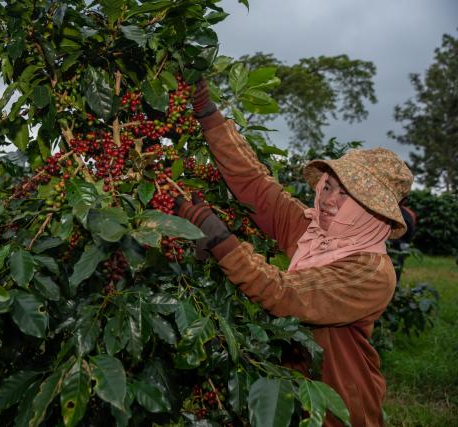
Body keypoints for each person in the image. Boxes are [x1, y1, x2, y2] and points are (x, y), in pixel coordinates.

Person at [175, 80, 413, 427]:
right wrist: (210, 116)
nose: (330, 201)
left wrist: (220, 239)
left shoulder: (372, 273)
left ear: (373, 212)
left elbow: (285, 294)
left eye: (348, 196)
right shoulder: (312, 230)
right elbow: (257, 187)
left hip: (337, 409)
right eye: (328, 186)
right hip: (286, 394)